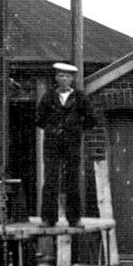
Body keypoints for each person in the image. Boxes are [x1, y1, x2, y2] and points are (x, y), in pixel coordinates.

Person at [35, 61, 97, 227]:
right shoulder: (48, 97)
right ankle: (48, 218)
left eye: (67, 76)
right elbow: (39, 119)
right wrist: (53, 129)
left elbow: (91, 120)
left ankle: (74, 218)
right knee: (50, 179)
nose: (64, 79)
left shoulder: (80, 97)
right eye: (61, 75)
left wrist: (75, 130)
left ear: (72, 79)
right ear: (56, 77)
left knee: (72, 179)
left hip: (72, 144)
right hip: (52, 144)